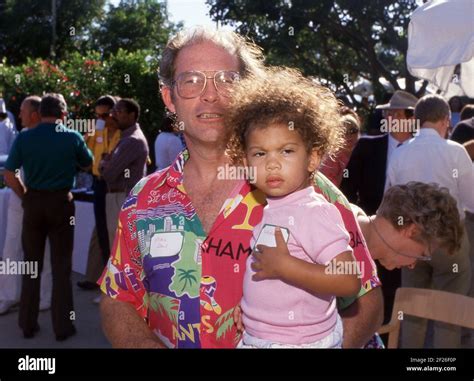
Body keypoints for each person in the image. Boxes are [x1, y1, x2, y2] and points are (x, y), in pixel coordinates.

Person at [98, 26, 383, 349]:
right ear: (170, 98)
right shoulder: (143, 200)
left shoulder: (303, 189)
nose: (210, 94)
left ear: (248, 91)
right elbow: (117, 297)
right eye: (191, 81)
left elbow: (367, 299)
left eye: (226, 80)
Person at [224, 67, 360, 348]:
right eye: (260, 153)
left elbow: (348, 280)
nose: (272, 163)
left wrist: (288, 267)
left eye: (286, 151)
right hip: (262, 335)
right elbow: (266, 274)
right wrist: (252, 311)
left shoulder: (313, 212)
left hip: (298, 342)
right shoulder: (271, 208)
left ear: (312, 159)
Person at [386, 94, 474, 348]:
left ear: (417, 120)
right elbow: (471, 200)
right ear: (446, 120)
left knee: (413, 305)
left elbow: (389, 199)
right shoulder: (455, 152)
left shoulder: (401, 154)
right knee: (449, 306)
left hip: (410, 239)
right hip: (449, 239)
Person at [4, 93, 93, 340]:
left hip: (33, 202)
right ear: (63, 114)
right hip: (61, 203)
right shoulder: (72, 137)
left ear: (40, 113)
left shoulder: (25, 138)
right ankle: (63, 327)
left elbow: (9, 175)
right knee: (61, 267)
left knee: (32, 265)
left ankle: (27, 324)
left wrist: (26, 197)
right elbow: (88, 164)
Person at [340, 90, 418, 328]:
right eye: (389, 112)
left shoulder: (419, 150)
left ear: (411, 117)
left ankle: (384, 334)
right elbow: (348, 188)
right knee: (363, 290)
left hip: (404, 238)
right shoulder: (367, 146)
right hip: (367, 231)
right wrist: (354, 223)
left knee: (393, 292)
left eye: (397, 112)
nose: (391, 116)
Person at [0, 96, 52, 315]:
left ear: (34, 114)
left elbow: (9, 175)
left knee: (43, 250)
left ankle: (43, 298)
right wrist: (25, 197)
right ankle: (10, 296)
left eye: (22, 110)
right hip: (22, 201)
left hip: (34, 201)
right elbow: (10, 174)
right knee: (12, 248)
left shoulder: (54, 137)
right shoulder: (22, 135)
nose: (17, 115)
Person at [77, 95, 121, 292]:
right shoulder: (98, 131)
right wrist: (93, 133)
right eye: (98, 115)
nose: (101, 118)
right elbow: (86, 151)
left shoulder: (125, 134)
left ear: (114, 113)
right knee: (100, 232)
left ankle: (111, 282)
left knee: (109, 232)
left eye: (104, 114)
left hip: (115, 186)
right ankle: (94, 276)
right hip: (99, 184)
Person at [99, 98, 149, 257]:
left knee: (121, 250)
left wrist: (104, 162)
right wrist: (106, 162)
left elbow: (108, 173)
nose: (114, 115)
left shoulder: (132, 140)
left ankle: (125, 282)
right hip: (121, 197)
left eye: (119, 112)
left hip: (122, 198)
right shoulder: (127, 137)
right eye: (114, 111)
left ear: (132, 115)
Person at [320, 107, 361, 187]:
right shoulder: (331, 159)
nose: (349, 135)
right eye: (344, 131)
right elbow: (329, 190)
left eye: (353, 130)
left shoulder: (364, 152)